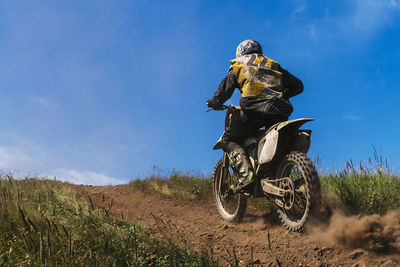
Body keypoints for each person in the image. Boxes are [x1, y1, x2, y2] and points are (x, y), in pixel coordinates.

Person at [207, 40, 304, 191]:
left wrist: (214, 102)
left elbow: (224, 91)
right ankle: (273, 174)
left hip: (253, 110)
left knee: (228, 140)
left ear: (240, 52)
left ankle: (247, 176)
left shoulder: (239, 64)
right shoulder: (273, 64)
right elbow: (298, 86)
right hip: (280, 109)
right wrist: (281, 95)